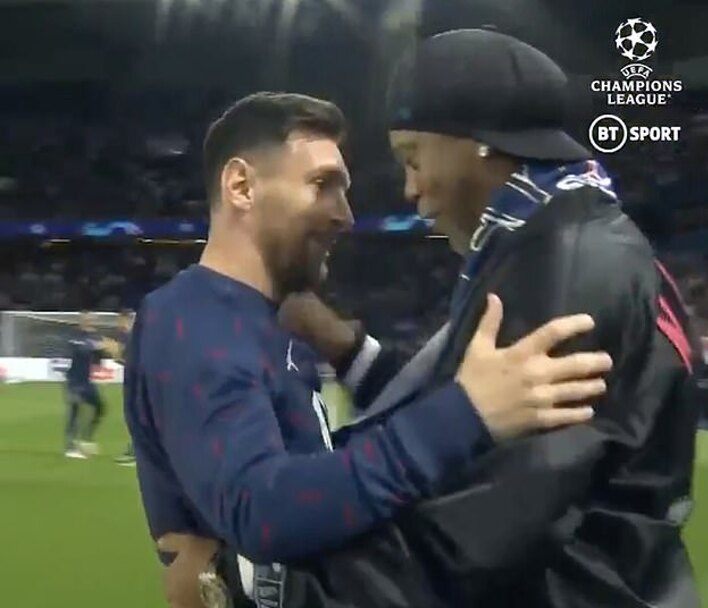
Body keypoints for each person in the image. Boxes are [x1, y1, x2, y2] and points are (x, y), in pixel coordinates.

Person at [123, 92, 612, 608]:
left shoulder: (271, 319)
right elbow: (262, 512)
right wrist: (464, 413)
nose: (345, 215)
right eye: (322, 185)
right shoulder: (193, 321)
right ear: (242, 186)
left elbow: (321, 472)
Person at [268, 29, 700, 608]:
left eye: (413, 158)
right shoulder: (564, 235)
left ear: (477, 143)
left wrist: (292, 586)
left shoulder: (561, 265)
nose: (409, 188)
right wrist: (338, 342)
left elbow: (491, 517)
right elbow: (459, 409)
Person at [64, 311, 107, 459]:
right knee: (75, 411)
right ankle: (70, 447)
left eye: (92, 319)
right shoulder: (75, 335)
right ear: (81, 320)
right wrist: (95, 345)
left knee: (100, 408)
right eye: (87, 319)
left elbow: (99, 358)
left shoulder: (95, 336)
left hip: (87, 382)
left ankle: (86, 438)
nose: (90, 321)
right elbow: (80, 348)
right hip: (74, 381)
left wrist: (104, 350)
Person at [108, 310, 137, 466]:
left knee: (135, 418)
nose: (119, 323)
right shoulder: (129, 337)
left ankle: (135, 453)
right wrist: (116, 356)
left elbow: (132, 362)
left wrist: (116, 353)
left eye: (121, 320)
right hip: (133, 382)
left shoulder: (132, 337)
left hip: (136, 383)